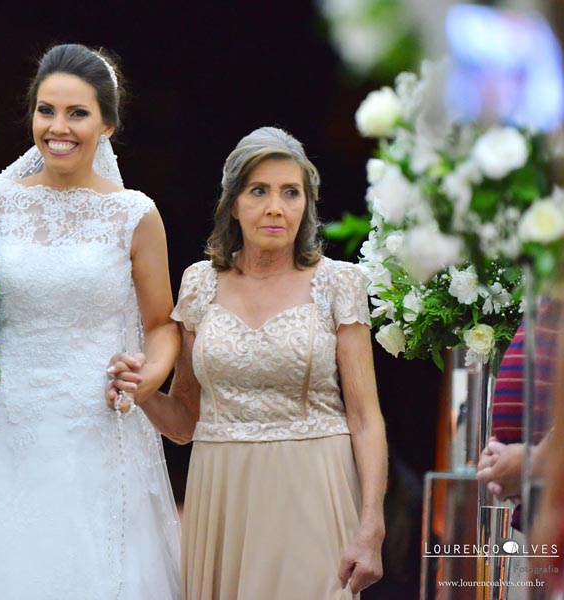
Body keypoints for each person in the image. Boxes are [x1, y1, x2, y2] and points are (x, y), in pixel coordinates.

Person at [0, 44, 182, 599]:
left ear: (107, 124)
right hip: (0, 424)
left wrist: (148, 377)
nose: (59, 127)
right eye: (46, 110)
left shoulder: (135, 213)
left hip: (96, 424)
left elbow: (161, 324)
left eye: (77, 113)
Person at [122, 126, 387, 598]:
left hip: (314, 489)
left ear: (307, 203)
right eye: (259, 191)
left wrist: (372, 525)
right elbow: (184, 422)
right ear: (233, 204)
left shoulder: (339, 283)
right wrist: (140, 392)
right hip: (222, 495)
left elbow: (365, 419)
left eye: (291, 192)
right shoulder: (199, 284)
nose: (275, 207)